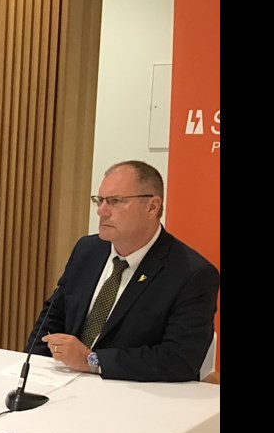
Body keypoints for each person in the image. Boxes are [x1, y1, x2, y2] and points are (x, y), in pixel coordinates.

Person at [28, 160, 219, 382]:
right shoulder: (87, 250)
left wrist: (93, 361)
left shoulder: (192, 274)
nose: (101, 211)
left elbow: (178, 359)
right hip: (64, 384)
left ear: (152, 206)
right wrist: (33, 370)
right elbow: (52, 316)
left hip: (138, 396)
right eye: (99, 201)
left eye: (115, 201)